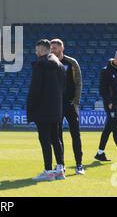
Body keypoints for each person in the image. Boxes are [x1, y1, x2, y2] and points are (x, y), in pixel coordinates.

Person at [27, 39, 66, 182]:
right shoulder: (61, 66)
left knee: (44, 139)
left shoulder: (40, 65)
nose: (36, 53)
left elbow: (35, 89)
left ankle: (48, 171)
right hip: (56, 108)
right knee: (56, 138)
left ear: (42, 50)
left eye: (37, 50)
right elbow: (63, 88)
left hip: (42, 109)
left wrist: (30, 106)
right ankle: (60, 169)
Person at [50, 39, 85, 175]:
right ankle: (61, 165)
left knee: (75, 135)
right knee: (57, 136)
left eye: (56, 47)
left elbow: (78, 83)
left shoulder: (72, 63)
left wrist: (76, 101)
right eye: (52, 48)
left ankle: (79, 164)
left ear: (62, 48)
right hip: (55, 106)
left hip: (70, 104)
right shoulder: (48, 64)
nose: (53, 50)